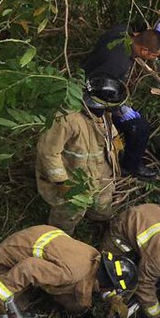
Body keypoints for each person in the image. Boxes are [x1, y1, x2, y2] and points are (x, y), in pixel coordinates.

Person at [0, 225, 137, 318]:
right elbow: (28, 268)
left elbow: (97, 283)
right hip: (0, 263)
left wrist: (113, 298)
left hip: (29, 240)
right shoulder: (69, 273)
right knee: (13, 308)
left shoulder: (94, 257)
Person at [36, 76, 125, 233]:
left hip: (102, 177)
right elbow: (48, 152)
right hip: (73, 180)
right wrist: (62, 182)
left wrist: (118, 148)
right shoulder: (67, 119)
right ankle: (59, 237)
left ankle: (99, 221)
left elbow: (110, 137)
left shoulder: (103, 116)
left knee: (103, 206)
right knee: (68, 213)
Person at [82, 22, 160, 178]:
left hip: (91, 76)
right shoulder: (118, 63)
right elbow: (100, 88)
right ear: (144, 50)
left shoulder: (123, 31)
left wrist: (155, 33)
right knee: (140, 127)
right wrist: (119, 109)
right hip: (91, 97)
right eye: (154, 56)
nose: (153, 60)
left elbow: (137, 30)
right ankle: (129, 166)